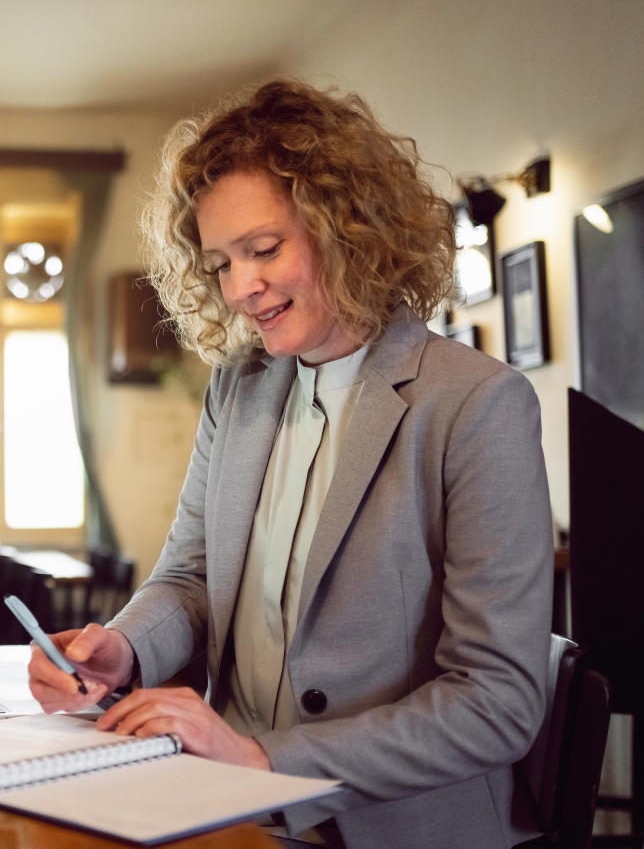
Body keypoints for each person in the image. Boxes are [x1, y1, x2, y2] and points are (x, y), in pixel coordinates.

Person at [28, 80, 552, 849]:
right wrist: (124, 647)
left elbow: (496, 702)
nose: (242, 289)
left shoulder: (477, 405)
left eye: (265, 249)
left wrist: (260, 757)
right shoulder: (239, 392)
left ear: (351, 228)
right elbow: (190, 577)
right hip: (227, 811)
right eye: (219, 264)